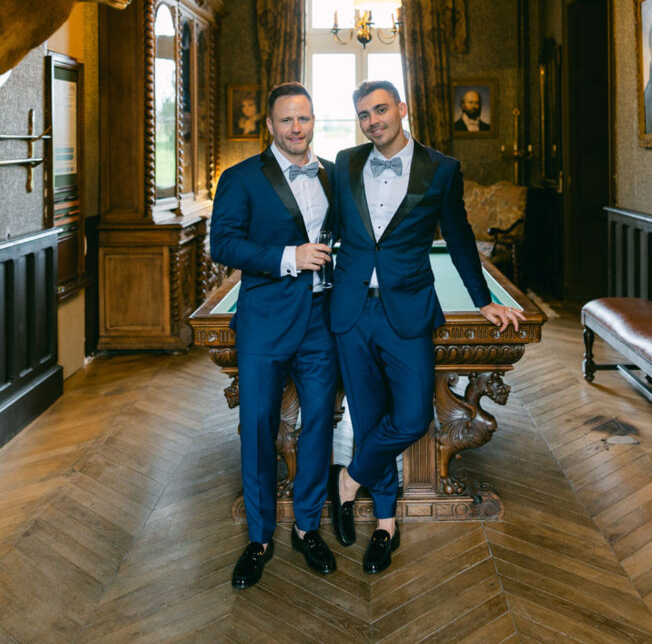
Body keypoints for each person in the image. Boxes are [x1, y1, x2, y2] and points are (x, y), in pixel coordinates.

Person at [328, 80, 518, 573]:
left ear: (403, 109)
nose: (373, 121)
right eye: (364, 114)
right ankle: (386, 525)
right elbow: (323, 226)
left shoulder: (442, 169)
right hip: (351, 311)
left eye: (381, 110)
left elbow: (458, 236)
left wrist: (483, 301)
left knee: (412, 418)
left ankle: (347, 482)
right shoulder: (345, 162)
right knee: (369, 420)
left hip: (409, 310)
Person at [210, 82, 338, 589]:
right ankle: (259, 537)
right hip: (264, 322)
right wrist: (290, 258)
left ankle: (308, 525)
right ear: (269, 125)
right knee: (258, 428)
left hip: (322, 322)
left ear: (313, 120)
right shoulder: (240, 178)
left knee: (320, 427)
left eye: (303, 119)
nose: (296, 129)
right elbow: (223, 244)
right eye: (285, 120)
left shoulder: (334, 175)